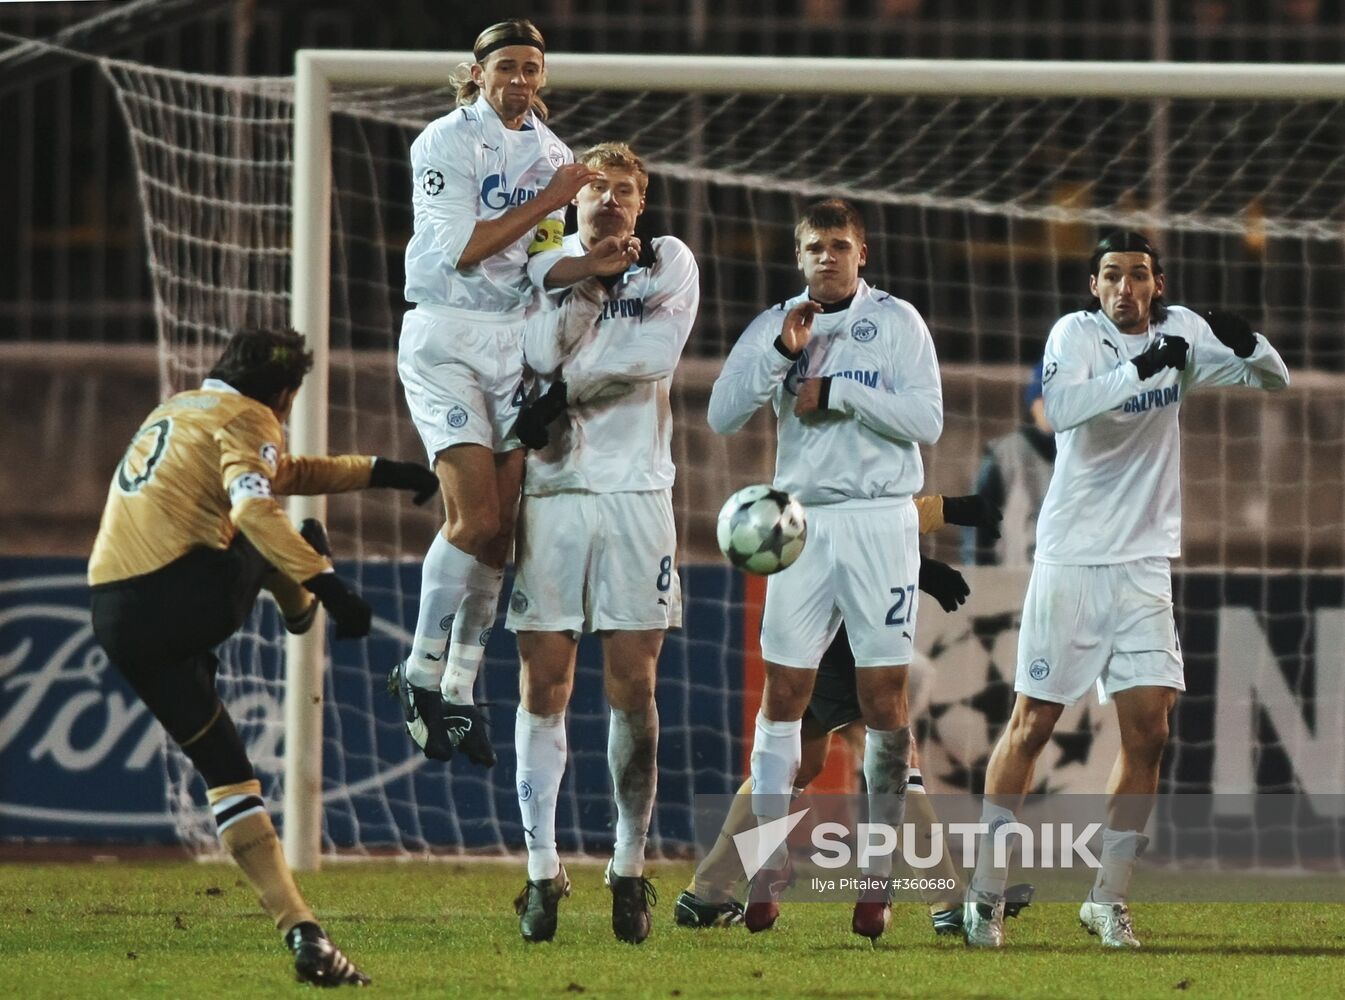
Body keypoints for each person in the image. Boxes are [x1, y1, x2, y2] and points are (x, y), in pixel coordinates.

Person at [963, 231, 1290, 950]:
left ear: (1157, 284)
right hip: (1073, 559)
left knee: (1149, 733)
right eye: (1110, 275)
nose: (1122, 287)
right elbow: (1067, 407)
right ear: (1093, 286)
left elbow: (1274, 381)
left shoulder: (1181, 332)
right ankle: (983, 891)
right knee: (1032, 724)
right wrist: (1147, 365)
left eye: (1136, 275)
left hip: (1144, 564)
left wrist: (1246, 342)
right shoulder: (1073, 335)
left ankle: (1106, 900)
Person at [88, 328, 441, 987]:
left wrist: (389, 474)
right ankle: (297, 601)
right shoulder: (249, 418)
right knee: (273, 527)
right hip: (182, 595)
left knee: (230, 777)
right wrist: (327, 584)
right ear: (284, 393)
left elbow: (289, 471)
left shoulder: (178, 410)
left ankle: (306, 935)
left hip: (115, 617)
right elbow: (255, 504)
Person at [391, 18, 637, 766]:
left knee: (501, 536)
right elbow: (463, 249)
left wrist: (587, 263)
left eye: (532, 68)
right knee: (472, 520)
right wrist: (554, 198)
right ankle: (419, 673)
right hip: (446, 337)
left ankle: (461, 691)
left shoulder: (553, 154)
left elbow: (536, 265)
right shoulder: (442, 142)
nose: (520, 80)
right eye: (507, 67)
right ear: (477, 71)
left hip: (511, 340)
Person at [707, 198, 943, 940]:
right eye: (813, 246)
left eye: (839, 245)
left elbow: (926, 421)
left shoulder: (898, 322)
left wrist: (838, 392)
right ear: (798, 254)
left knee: (883, 704)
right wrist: (779, 355)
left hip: (880, 520)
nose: (826, 257)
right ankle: (765, 869)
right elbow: (720, 414)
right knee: (784, 694)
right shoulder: (779, 324)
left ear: (861, 254)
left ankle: (877, 882)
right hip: (800, 525)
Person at [676, 495, 1038, 937]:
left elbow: (880, 509)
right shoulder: (849, 454)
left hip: (809, 616)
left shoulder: (824, 465)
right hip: (841, 622)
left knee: (801, 764)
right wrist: (935, 542)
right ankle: (947, 901)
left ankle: (707, 890)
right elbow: (869, 517)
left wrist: (950, 513)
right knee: (894, 756)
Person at [502, 142, 699, 945]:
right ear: (571, 203)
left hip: (636, 498)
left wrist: (564, 390)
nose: (610, 200)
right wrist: (588, 279)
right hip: (551, 497)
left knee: (635, 685)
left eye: (623, 190)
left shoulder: (668, 263)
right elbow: (536, 353)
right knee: (542, 682)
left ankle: (627, 866)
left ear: (640, 204)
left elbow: (655, 354)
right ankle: (542, 871)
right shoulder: (542, 269)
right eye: (596, 189)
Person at [965, 362, 1054, 567]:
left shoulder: (1089, 456)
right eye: (1044, 397)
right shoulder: (1004, 455)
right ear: (1033, 403)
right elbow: (976, 527)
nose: (1051, 406)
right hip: (1011, 585)